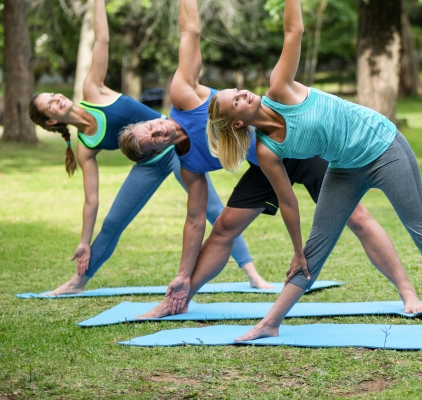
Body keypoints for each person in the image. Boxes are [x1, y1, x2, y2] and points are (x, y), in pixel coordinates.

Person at [119, 0, 422, 319]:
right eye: (153, 138)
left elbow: (190, 31)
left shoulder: (184, 96)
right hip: (268, 161)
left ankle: (407, 291)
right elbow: (196, 220)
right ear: (158, 152)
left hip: (303, 147)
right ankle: (180, 298)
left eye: (149, 125)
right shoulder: (190, 165)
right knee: (223, 227)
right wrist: (183, 274)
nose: (158, 129)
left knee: (357, 217)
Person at [206, 0, 422, 344]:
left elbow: (293, 31)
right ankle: (269, 323)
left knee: (420, 229)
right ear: (238, 121)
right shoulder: (266, 150)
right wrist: (298, 249)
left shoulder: (279, 88)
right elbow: (287, 202)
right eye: (235, 101)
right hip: (345, 169)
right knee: (314, 252)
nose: (242, 93)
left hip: (383, 146)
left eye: (237, 91)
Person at [27, 0, 268, 296]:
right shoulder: (85, 147)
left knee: (213, 210)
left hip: (177, 142)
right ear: (51, 120)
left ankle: (252, 274)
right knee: (115, 220)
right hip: (151, 158)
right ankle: (79, 281)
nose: (57, 99)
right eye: (50, 105)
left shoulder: (93, 90)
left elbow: (102, 39)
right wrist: (83, 240)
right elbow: (92, 200)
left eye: (53, 94)